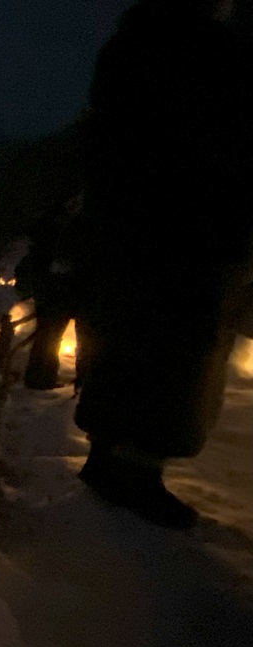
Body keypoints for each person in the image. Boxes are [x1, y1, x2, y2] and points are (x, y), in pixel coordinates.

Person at [74, 0, 253, 528]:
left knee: (136, 345)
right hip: (181, 230)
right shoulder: (196, 56)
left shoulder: (136, 48)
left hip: (143, 230)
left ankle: (117, 463)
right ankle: (129, 475)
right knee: (166, 354)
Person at [15, 191, 86, 390]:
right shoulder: (57, 226)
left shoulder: (66, 224)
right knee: (48, 339)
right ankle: (40, 380)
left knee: (84, 342)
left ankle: (81, 383)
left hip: (71, 290)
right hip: (58, 291)